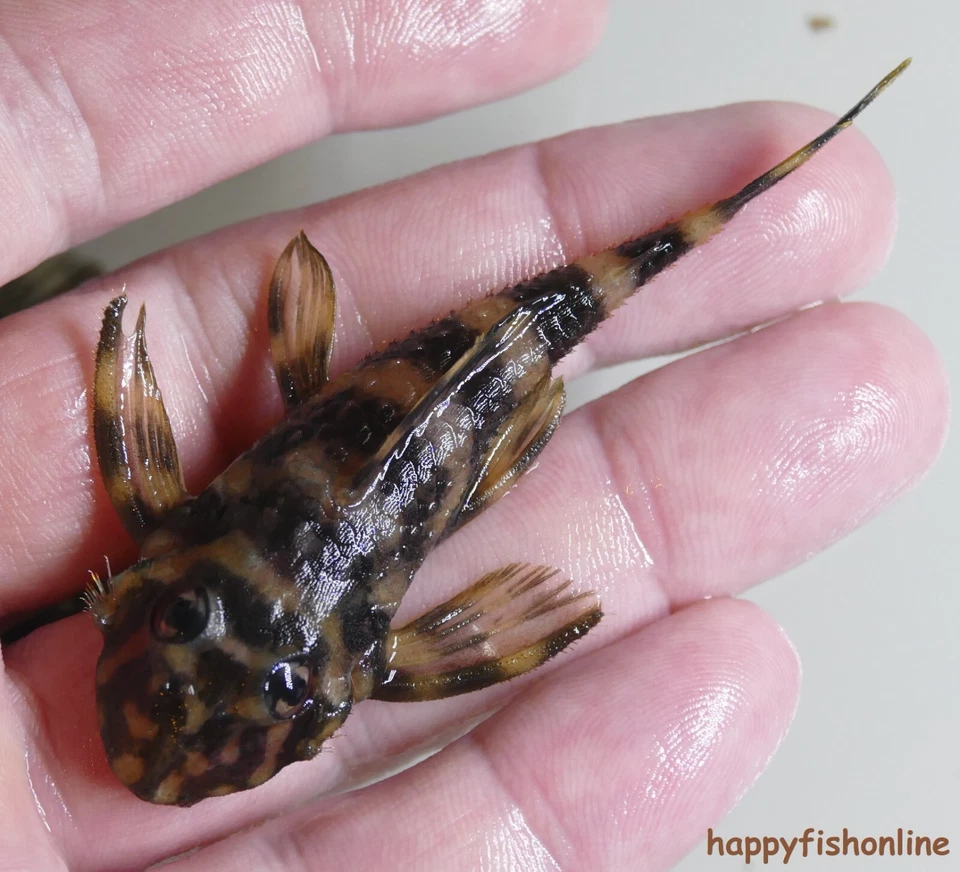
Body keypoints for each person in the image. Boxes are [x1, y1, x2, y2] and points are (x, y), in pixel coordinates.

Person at [0, 1, 946, 869]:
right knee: (599, 290)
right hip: (435, 416)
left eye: (180, 618)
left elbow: (498, 633)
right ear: (343, 682)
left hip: (446, 408)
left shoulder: (348, 643)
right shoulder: (206, 552)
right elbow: (505, 631)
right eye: (289, 691)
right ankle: (746, 192)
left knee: (613, 280)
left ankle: (750, 193)